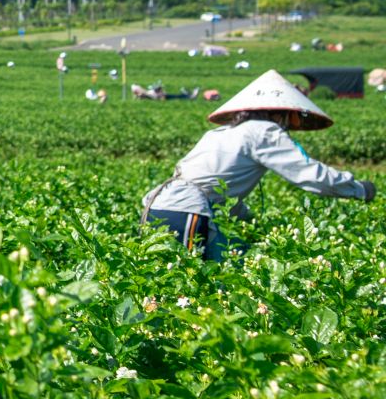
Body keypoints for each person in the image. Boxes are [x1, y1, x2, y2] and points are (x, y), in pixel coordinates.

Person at [141, 69, 374, 260]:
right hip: (186, 210)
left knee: (236, 261)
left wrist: (249, 221)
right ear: (279, 113)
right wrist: (358, 189)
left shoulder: (225, 132)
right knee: (188, 283)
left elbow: (219, 193)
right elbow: (309, 174)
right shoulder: (264, 131)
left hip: (162, 206)